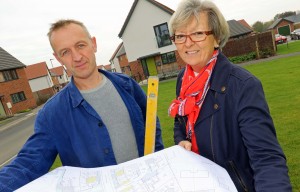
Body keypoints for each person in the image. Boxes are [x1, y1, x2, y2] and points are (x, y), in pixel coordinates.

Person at [0, 19, 164, 191]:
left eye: (80, 45)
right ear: (58, 58)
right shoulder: (52, 114)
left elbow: (152, 126)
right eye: (65, 52)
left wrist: (160, 160)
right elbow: (28, 163)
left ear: (93, 44)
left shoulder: (128, 86)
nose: (77, 57)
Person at [168, 0, 291, 191]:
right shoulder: (183, 79)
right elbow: (180, 121)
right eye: (180, 35)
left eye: (198, 33)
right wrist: (181, 140)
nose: (188, 42)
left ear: (216, 38)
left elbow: (267, 159)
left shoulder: (243, 86)